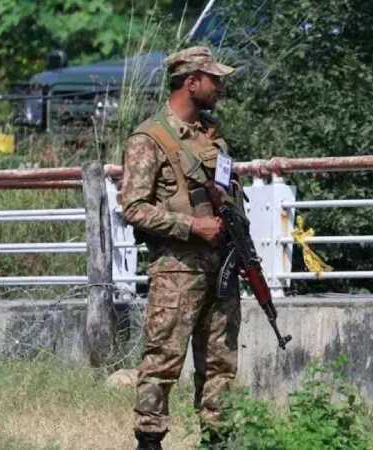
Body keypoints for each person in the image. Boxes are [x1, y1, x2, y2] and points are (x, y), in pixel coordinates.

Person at [119, 45, 240, 450]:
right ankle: (149, 440)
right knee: (163, 360)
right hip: (177, 269)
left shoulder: (212, 136)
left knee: (220, 363)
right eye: (214, 79)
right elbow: (133, 208)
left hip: (221, 264)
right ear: (191, 82)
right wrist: (192, 226)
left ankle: (217, 439)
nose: (220, 86)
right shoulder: (149, 138)